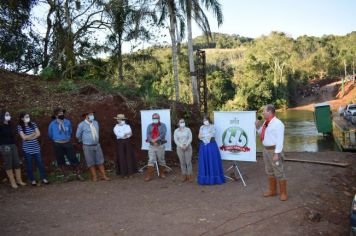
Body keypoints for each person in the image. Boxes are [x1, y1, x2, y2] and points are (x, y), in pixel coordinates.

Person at [255, 104, 287, 201]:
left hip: (274, 151)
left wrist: (277, 153)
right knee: (269, 170)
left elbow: (280, 140)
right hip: (266, 150)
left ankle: (283, 193)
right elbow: (261, 133)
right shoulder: (266, 122)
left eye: (264, 111)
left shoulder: (278, 124)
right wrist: (257, 127)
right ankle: (272, 191)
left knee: (279, 171)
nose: (263, 113)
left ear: (269, 112)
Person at [48, 108, 84, 182]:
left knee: (73, 159)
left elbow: (70, 131)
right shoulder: (52, 124)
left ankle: (78, 174)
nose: (62, 114)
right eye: (60, 113)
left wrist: (66, 138)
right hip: (57, 144)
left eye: (62, 113)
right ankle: (66, 176)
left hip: (67, 143)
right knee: (61, 161)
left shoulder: (67, 122)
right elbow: (50, 134)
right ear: (56, 115)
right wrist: (57, 139)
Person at [76, 111, 110, 182]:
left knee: (100, 161)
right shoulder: (81, 125)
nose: (92, 116)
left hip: (97, 145)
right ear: (86, 116)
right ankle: (94, 176)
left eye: (93, 114)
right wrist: (84, 140)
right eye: (90, 115)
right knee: (90, 162)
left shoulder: (95, 122)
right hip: (87, 146)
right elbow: (77, 135)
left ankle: (103, 175)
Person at [17, 113, 49, 186]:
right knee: (29, 165)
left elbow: (38, 134)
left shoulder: (33, 124)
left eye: (28, 116)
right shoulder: (20, 126)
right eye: (26, 117)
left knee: (40, 163)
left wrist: (29, 137)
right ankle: (32, 180)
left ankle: (44, 178)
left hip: (36, 148)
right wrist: (33, 134)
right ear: (22, 118)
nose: (28, 118)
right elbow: (23, 138)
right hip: (27, 149)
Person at [0, 110, 26, 189]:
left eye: (9, 114)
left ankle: (19, 180)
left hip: (13, 145)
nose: (9, 116)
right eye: (7, 115)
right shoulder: (0, 126)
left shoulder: (11, 125)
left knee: (17, 162)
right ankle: (12, 182)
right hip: (5, 146)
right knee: (9, 163)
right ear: (3, 116)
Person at [197, 116, 225, 185]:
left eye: (206, 120)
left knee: (212, 160)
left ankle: (214, 178)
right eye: (204, 120)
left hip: (211, 145)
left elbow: (212, 135)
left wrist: (203, 135)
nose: (205, 121)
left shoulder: (213, 126)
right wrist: (204, 136)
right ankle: (205, 179)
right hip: (203, 146)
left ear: (209, 120)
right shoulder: (202, 127)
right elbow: (199, 136)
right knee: (204, 161)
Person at [113, 114, 138, 178]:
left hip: (127, 142)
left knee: (129, 157)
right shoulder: (115, 127)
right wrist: (125, 133)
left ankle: (130, 173)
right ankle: (123, 174)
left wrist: (125, 134)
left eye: (120, 119)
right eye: (118, 119)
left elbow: (130, 134)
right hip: (120, 143)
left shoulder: (127, 126)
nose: (119, 120)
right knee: (122, 157)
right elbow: (120, 135)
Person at [144, 113, 167, 181]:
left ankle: (162, 173)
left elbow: (163, 134)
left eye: (156, 118)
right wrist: (152, 140)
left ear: (159, 118)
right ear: (152, 119)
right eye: (154, 118)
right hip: (152, 146)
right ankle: (149, 175)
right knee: (151, 160)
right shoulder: (149, 126)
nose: (155, 119)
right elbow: (148, 135)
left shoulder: (163, 125)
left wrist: (156, 140)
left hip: (160, 145)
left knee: (161, 159)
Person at [173, 118, 193, 182]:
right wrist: (181, 146)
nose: (182, 123)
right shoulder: (176, 131)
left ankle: (189, 175)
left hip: (188, 147)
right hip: (179, 148)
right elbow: (176, 140)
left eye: (183, 122)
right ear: (178, 123)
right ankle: (184, 175)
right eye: (181, 122)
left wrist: (186, 145)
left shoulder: (188, 129)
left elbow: (190, 138)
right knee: (182, 162)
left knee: (188, 162)